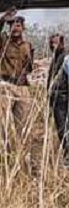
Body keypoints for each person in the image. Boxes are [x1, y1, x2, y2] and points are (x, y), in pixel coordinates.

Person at [0, 9, 34, 150]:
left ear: (23, 28)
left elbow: (29, 67)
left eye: (18, 25)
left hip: (22, 88)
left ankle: (18, 155)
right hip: (6, 85)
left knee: (22, 125)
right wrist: (2, 19)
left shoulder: (28, 46)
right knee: (3, 124)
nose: (15, 27)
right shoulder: (3, 42)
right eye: (12, 24)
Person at [47, 33, 69, 167]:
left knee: (64, 127)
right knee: (62, 127)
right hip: (57, 97)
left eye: (55, 43)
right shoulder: (57, 58)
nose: (53, 46)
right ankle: (68, 156)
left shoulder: (65, 58)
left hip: (62, 97)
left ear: (62, 44)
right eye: (51, 43)